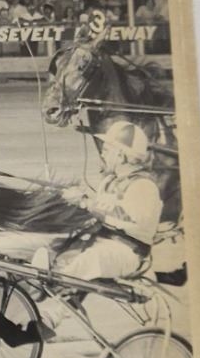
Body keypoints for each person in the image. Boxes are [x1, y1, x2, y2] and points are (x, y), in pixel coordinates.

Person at [34, 120, 164, 333]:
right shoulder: (110, 181)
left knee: (90, 260)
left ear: (121, 155)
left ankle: (50, 307)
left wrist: (88, 203)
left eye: (107, 149)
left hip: (129, 252)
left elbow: (134, 219)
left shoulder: (143, 186)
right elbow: (99, 208)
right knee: (56, 246)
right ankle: (43, 292)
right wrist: (73, 199)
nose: (102, 153)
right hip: (106, 242)